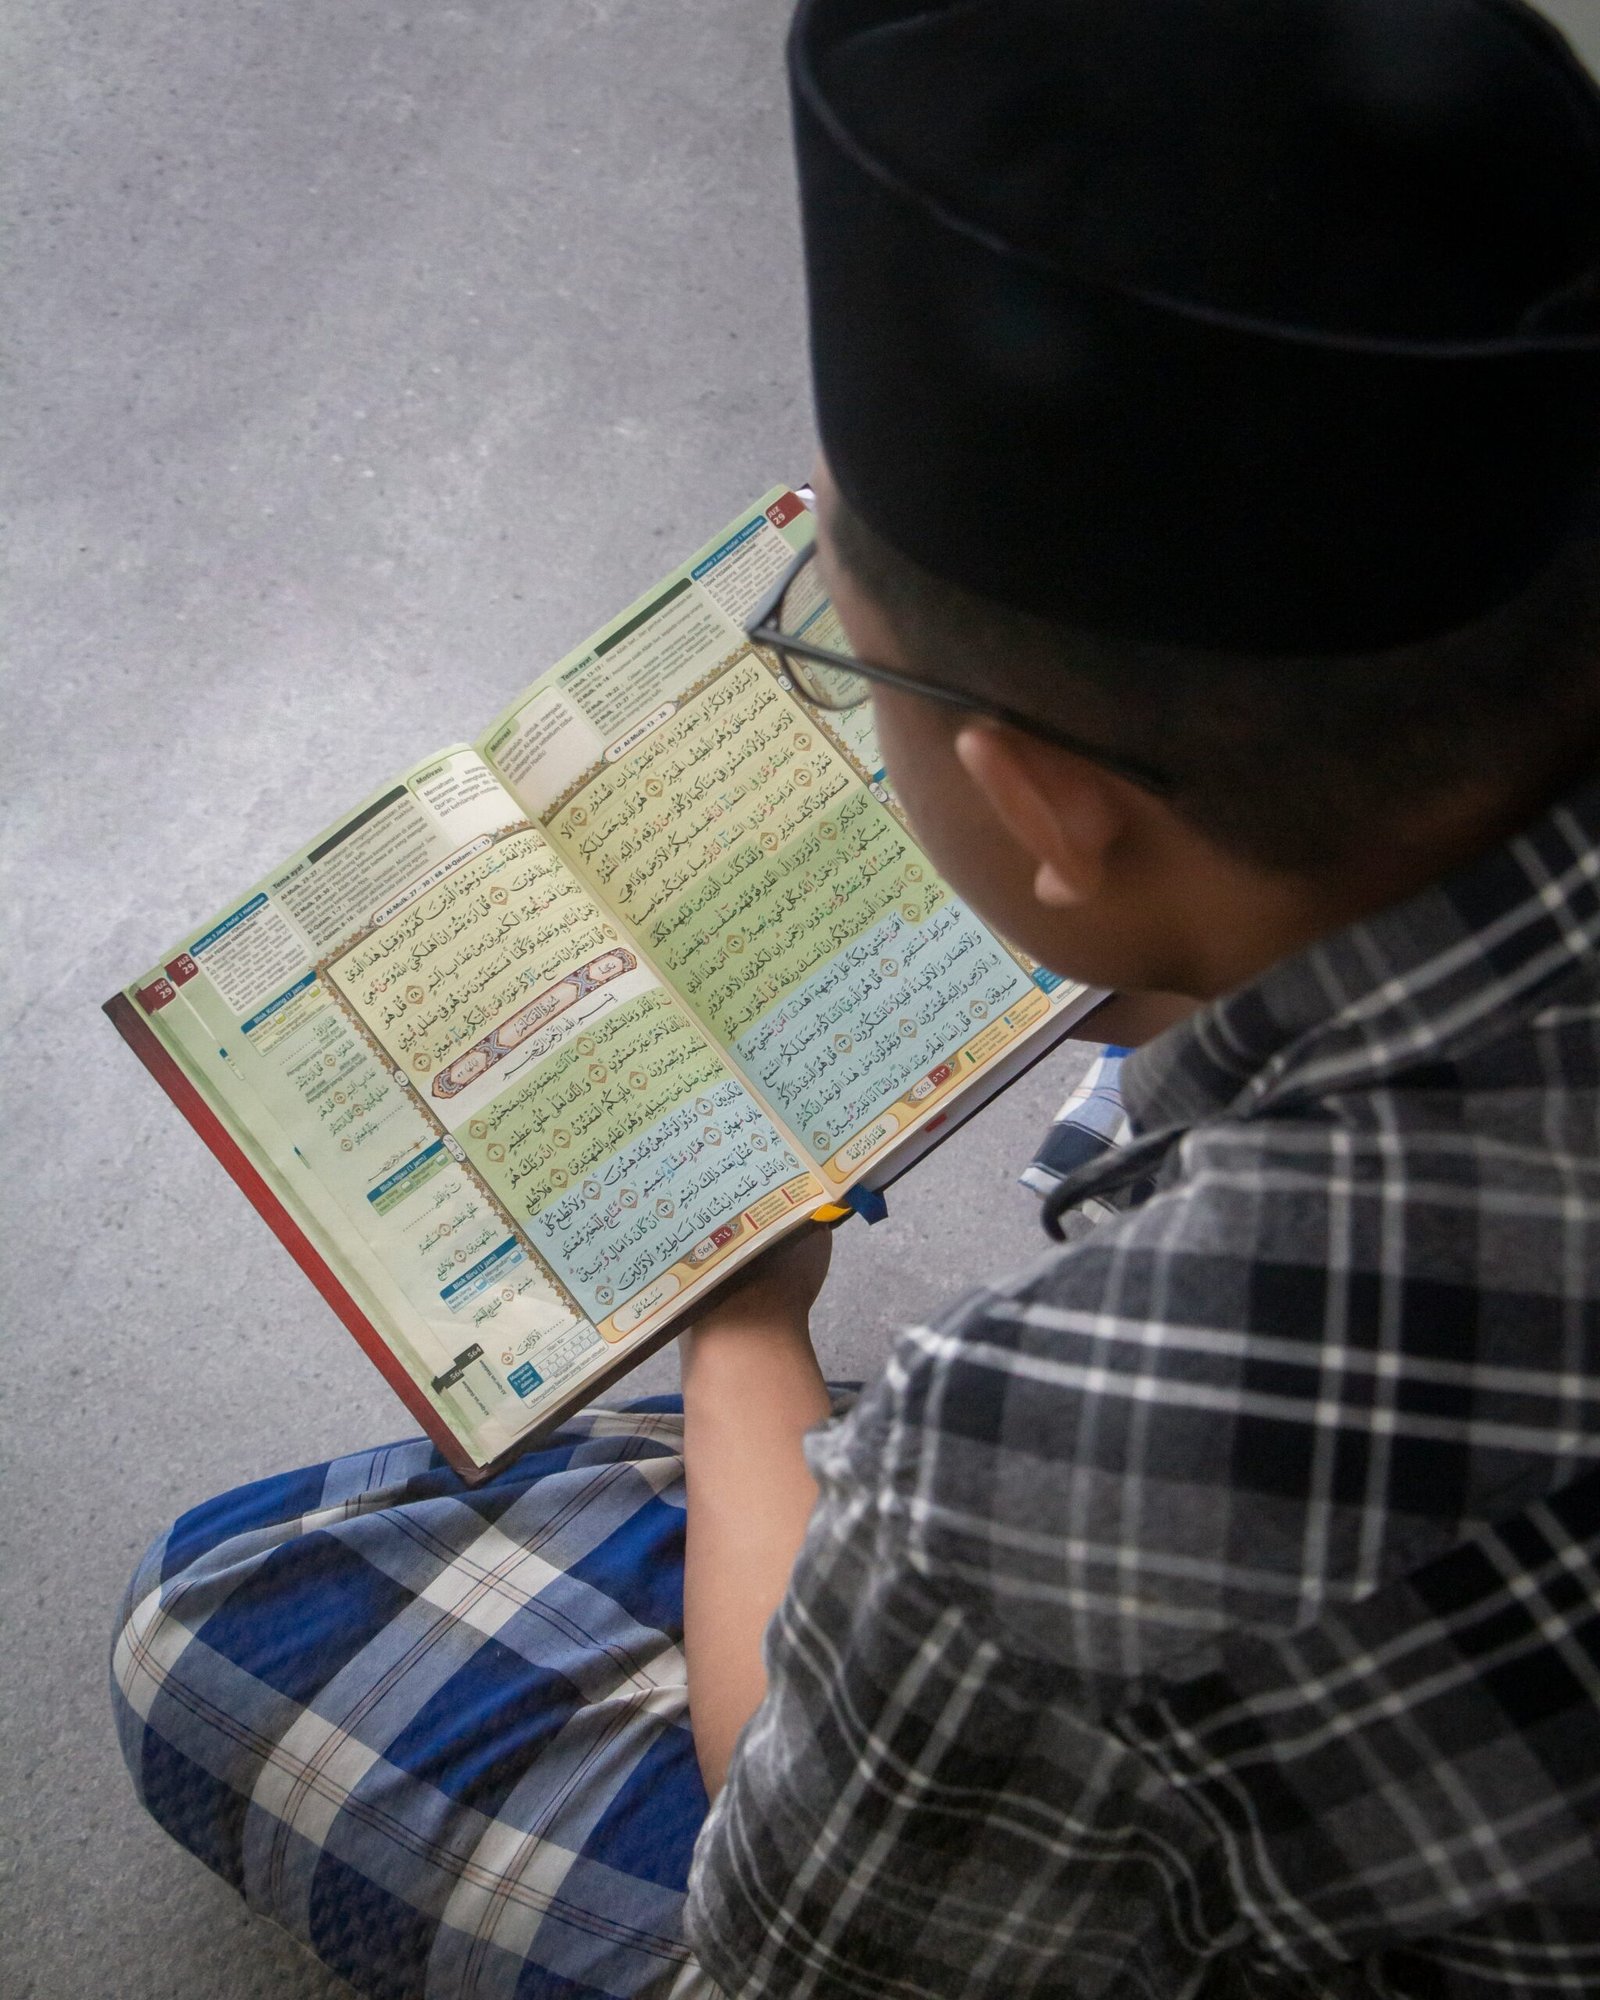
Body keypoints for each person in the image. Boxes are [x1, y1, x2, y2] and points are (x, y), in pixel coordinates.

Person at [112, 0, 1600, 1994]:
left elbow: (792, 1924)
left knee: (216, 1617)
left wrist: (741, 1341)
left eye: (841, 641)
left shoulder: (1040, 1482)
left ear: (1048, 804)